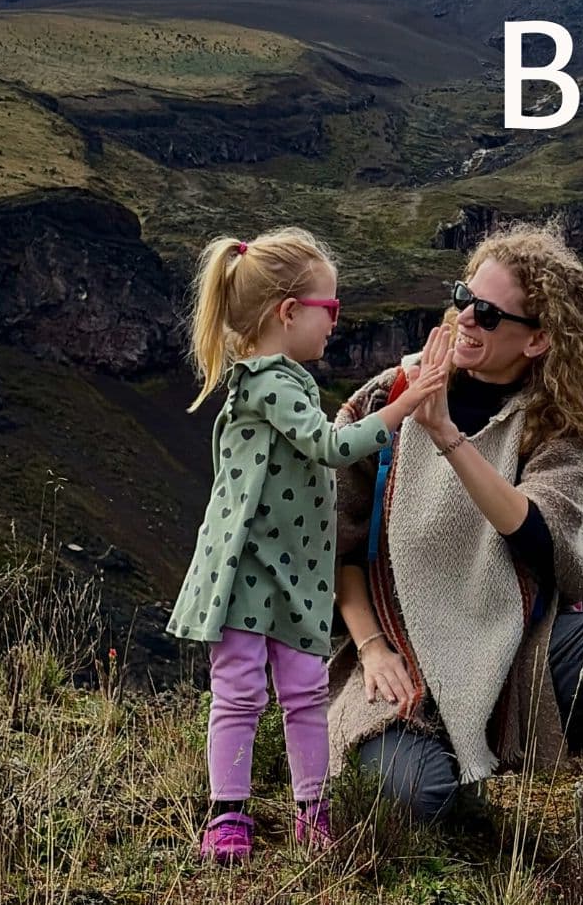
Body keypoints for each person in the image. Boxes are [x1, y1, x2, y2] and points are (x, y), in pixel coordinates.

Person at [329, 222, 583, 872]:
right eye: (463, 296)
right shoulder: (386, 397)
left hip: (510, 655)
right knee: (411, 799)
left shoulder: (556, 426)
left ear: (538, 339)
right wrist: (373, 648)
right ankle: (445, 766)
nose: (465, 316)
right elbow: (337, 545)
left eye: (487, 312)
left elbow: (547, 537)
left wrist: (450, 441)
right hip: (398, 663)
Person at [166, 227, 451, 866]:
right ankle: (234, 814)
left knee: (293, 693)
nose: (335, 324)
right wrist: (408, 406)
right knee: (252, 694)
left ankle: (304, 812)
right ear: (288, 313)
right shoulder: (272, 383)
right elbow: (331, 446)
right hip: (250, 572)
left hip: (290, 571)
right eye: (330, 309)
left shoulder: (279, 379)